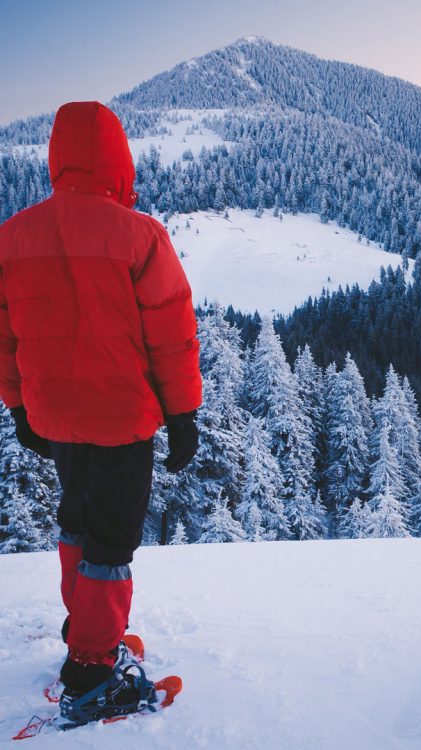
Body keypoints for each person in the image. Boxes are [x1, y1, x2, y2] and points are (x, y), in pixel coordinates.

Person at [0, 101, 201, 724]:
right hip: (121, 420)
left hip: (56, 416)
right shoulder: (140, 235)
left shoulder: (12, 236)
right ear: (118, 161)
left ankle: (83, 633)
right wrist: (183, 414)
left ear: (58, 159)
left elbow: (5, 336)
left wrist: (18, 406)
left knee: (77, 519)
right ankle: (92, 673)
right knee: (112, 539)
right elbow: (171, 336)